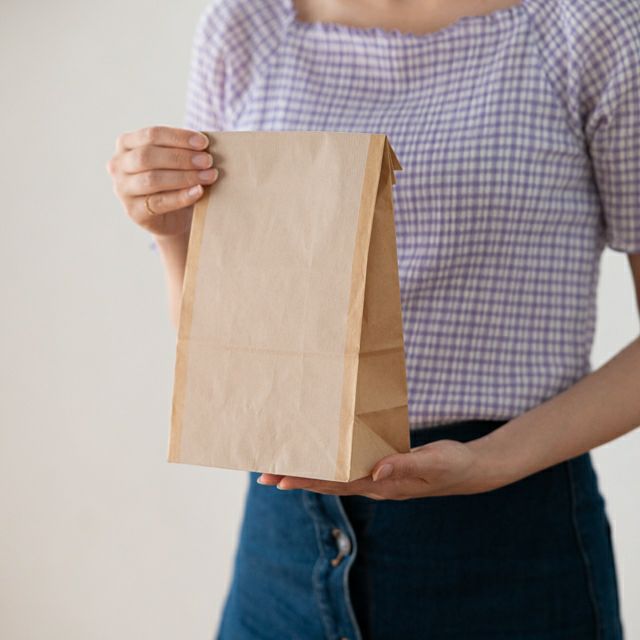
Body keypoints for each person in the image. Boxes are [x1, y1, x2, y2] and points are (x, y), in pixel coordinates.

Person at [106, 0, 640, 637]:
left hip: (509, 542)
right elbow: (228, 335)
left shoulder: (591, 28)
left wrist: (489, 463)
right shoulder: (244, 27)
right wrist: (171, 232)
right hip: (283, 548)